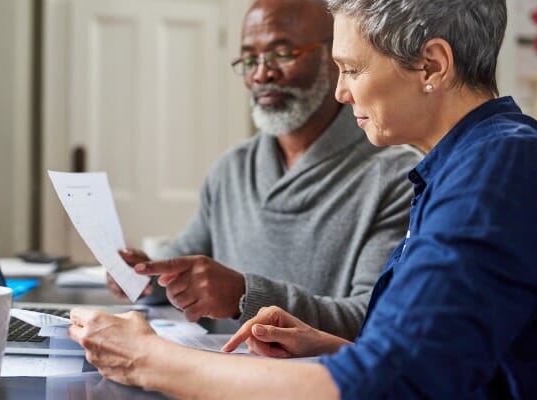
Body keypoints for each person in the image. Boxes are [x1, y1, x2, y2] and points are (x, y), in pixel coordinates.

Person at [69, 0, 537, 398]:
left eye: (350, 68)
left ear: (431, 65)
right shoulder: (461, 166)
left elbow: (391, 382)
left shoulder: (497, 171)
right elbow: (438, 356)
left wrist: (150, 360)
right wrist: (329, 345)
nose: (342, 92)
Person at [108, 0, 421, 341]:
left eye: (281, 53)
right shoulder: (232, 168)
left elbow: (372, 315)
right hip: (213, 374)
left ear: (334, 59)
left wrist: (245, 296)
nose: (261, 74)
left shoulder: (397, 177)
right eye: (249, 59)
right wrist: (145, 276)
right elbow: (184, 264)